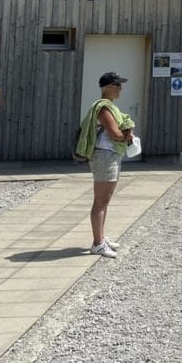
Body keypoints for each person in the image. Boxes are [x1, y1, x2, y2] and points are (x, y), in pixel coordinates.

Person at [75, 72, 135, 258]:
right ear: (108, 87)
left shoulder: (107, 106)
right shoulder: (103, 108)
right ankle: (97, 243)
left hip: (109, 155)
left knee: (104, 200)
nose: (120, 89)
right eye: (117, 85)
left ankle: (101, 237)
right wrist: (127, 135)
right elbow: (115, 133)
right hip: (104, 155)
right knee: (100, 202)